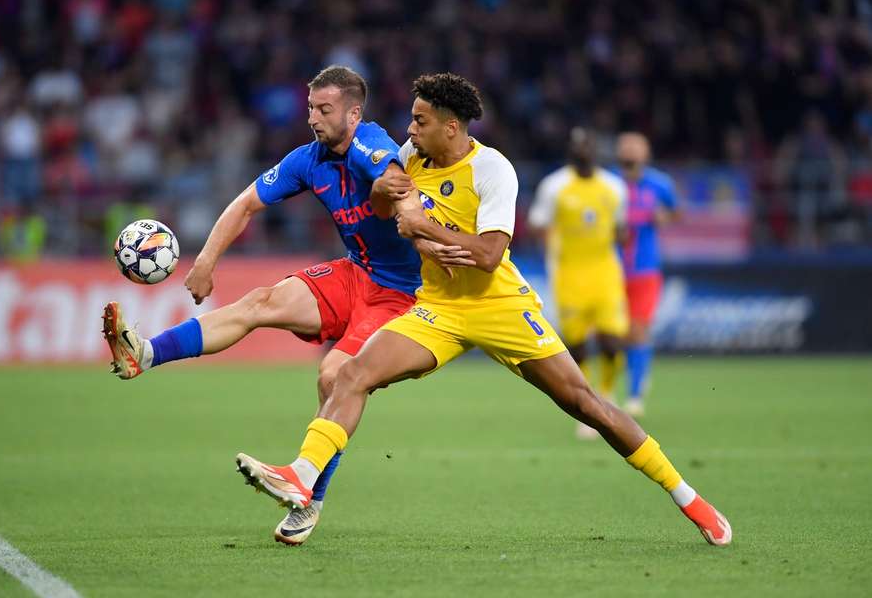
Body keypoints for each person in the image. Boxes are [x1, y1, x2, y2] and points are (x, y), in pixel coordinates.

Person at [235, 73, 732, 547]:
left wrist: (428, 232)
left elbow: (490, 253)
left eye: (420, 120)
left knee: (586, 404)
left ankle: (687, 497)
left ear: (451, 126)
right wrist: (383, 198)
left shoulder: (492, 169)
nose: (409, 130)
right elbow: (389, 213)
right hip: (438, 310)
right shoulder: (409, 157)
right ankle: (302, 476)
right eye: (411, 119)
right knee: (352, 373)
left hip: (499, 306)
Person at [101, 65, 472, 546]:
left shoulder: (370, 142)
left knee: (332, 376)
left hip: (404, 295)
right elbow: (244, 204)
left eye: (325, 109)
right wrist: (205, 262)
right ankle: (144, 354)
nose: (314, 118)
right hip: (355, 273)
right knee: (260, 301)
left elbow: (398, 186)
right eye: (311, 108)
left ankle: (308, 497)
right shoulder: (307, 159)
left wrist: (418, 227)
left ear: (353, 113)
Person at [528, 127, 629, 439]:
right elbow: (539, 224)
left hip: (605, 273)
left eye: (588, 145)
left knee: (612, 340)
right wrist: (553, 255)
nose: (583, 151)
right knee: (579, 346)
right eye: (578, 147)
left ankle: (608, 393)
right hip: (569, 275)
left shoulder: (614, 187)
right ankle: (588, 406)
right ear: (571, 152)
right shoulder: (554, 186)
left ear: (596, 150)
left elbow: (621, 229)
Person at [614, 133, 680, 416]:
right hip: (612, 268)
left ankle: (636, 392)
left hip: (644, 268)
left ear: (646, 152)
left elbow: (676, 212)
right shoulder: (609, 183)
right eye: (626, 147)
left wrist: (663, 217)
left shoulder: (660, 183)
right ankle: (615, 387)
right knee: (616, 332)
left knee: (638, 329)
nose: (630, 152)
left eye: (635, 147)